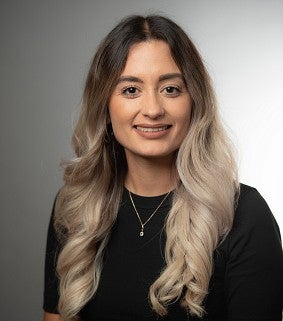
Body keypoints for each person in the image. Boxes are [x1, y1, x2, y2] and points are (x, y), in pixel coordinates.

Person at [43, 15, 283, 321]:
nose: (153, 109)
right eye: (131, 90)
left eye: (171, 89)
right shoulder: (75, 208)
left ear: (194, 100)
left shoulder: (244, 215)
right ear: (104, 106)